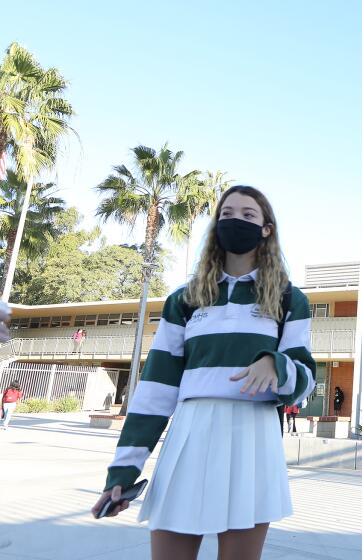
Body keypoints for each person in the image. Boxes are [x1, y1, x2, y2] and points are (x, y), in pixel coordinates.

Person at [91, 185, 316, 560]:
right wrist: (121, 474)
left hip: (254, 436)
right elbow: (155, 391)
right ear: (215, 226)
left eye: (248, 215)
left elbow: (306, 380)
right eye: (227, 213)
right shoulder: (185, 299)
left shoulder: (290, 299)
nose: (235, 220)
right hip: (190, 433)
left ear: (266, 229)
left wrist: (275, 364)